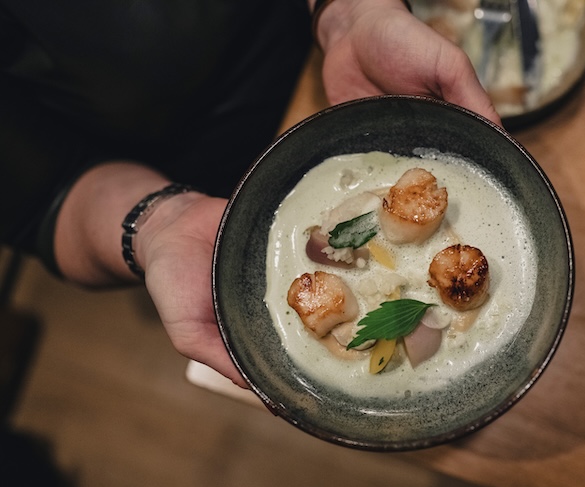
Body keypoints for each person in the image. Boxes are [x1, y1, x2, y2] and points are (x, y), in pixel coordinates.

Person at [0, 0, 500, 388]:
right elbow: (47, 199)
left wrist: (347, 15)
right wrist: (157, 224)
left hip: (333, 72)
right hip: (195, 196)